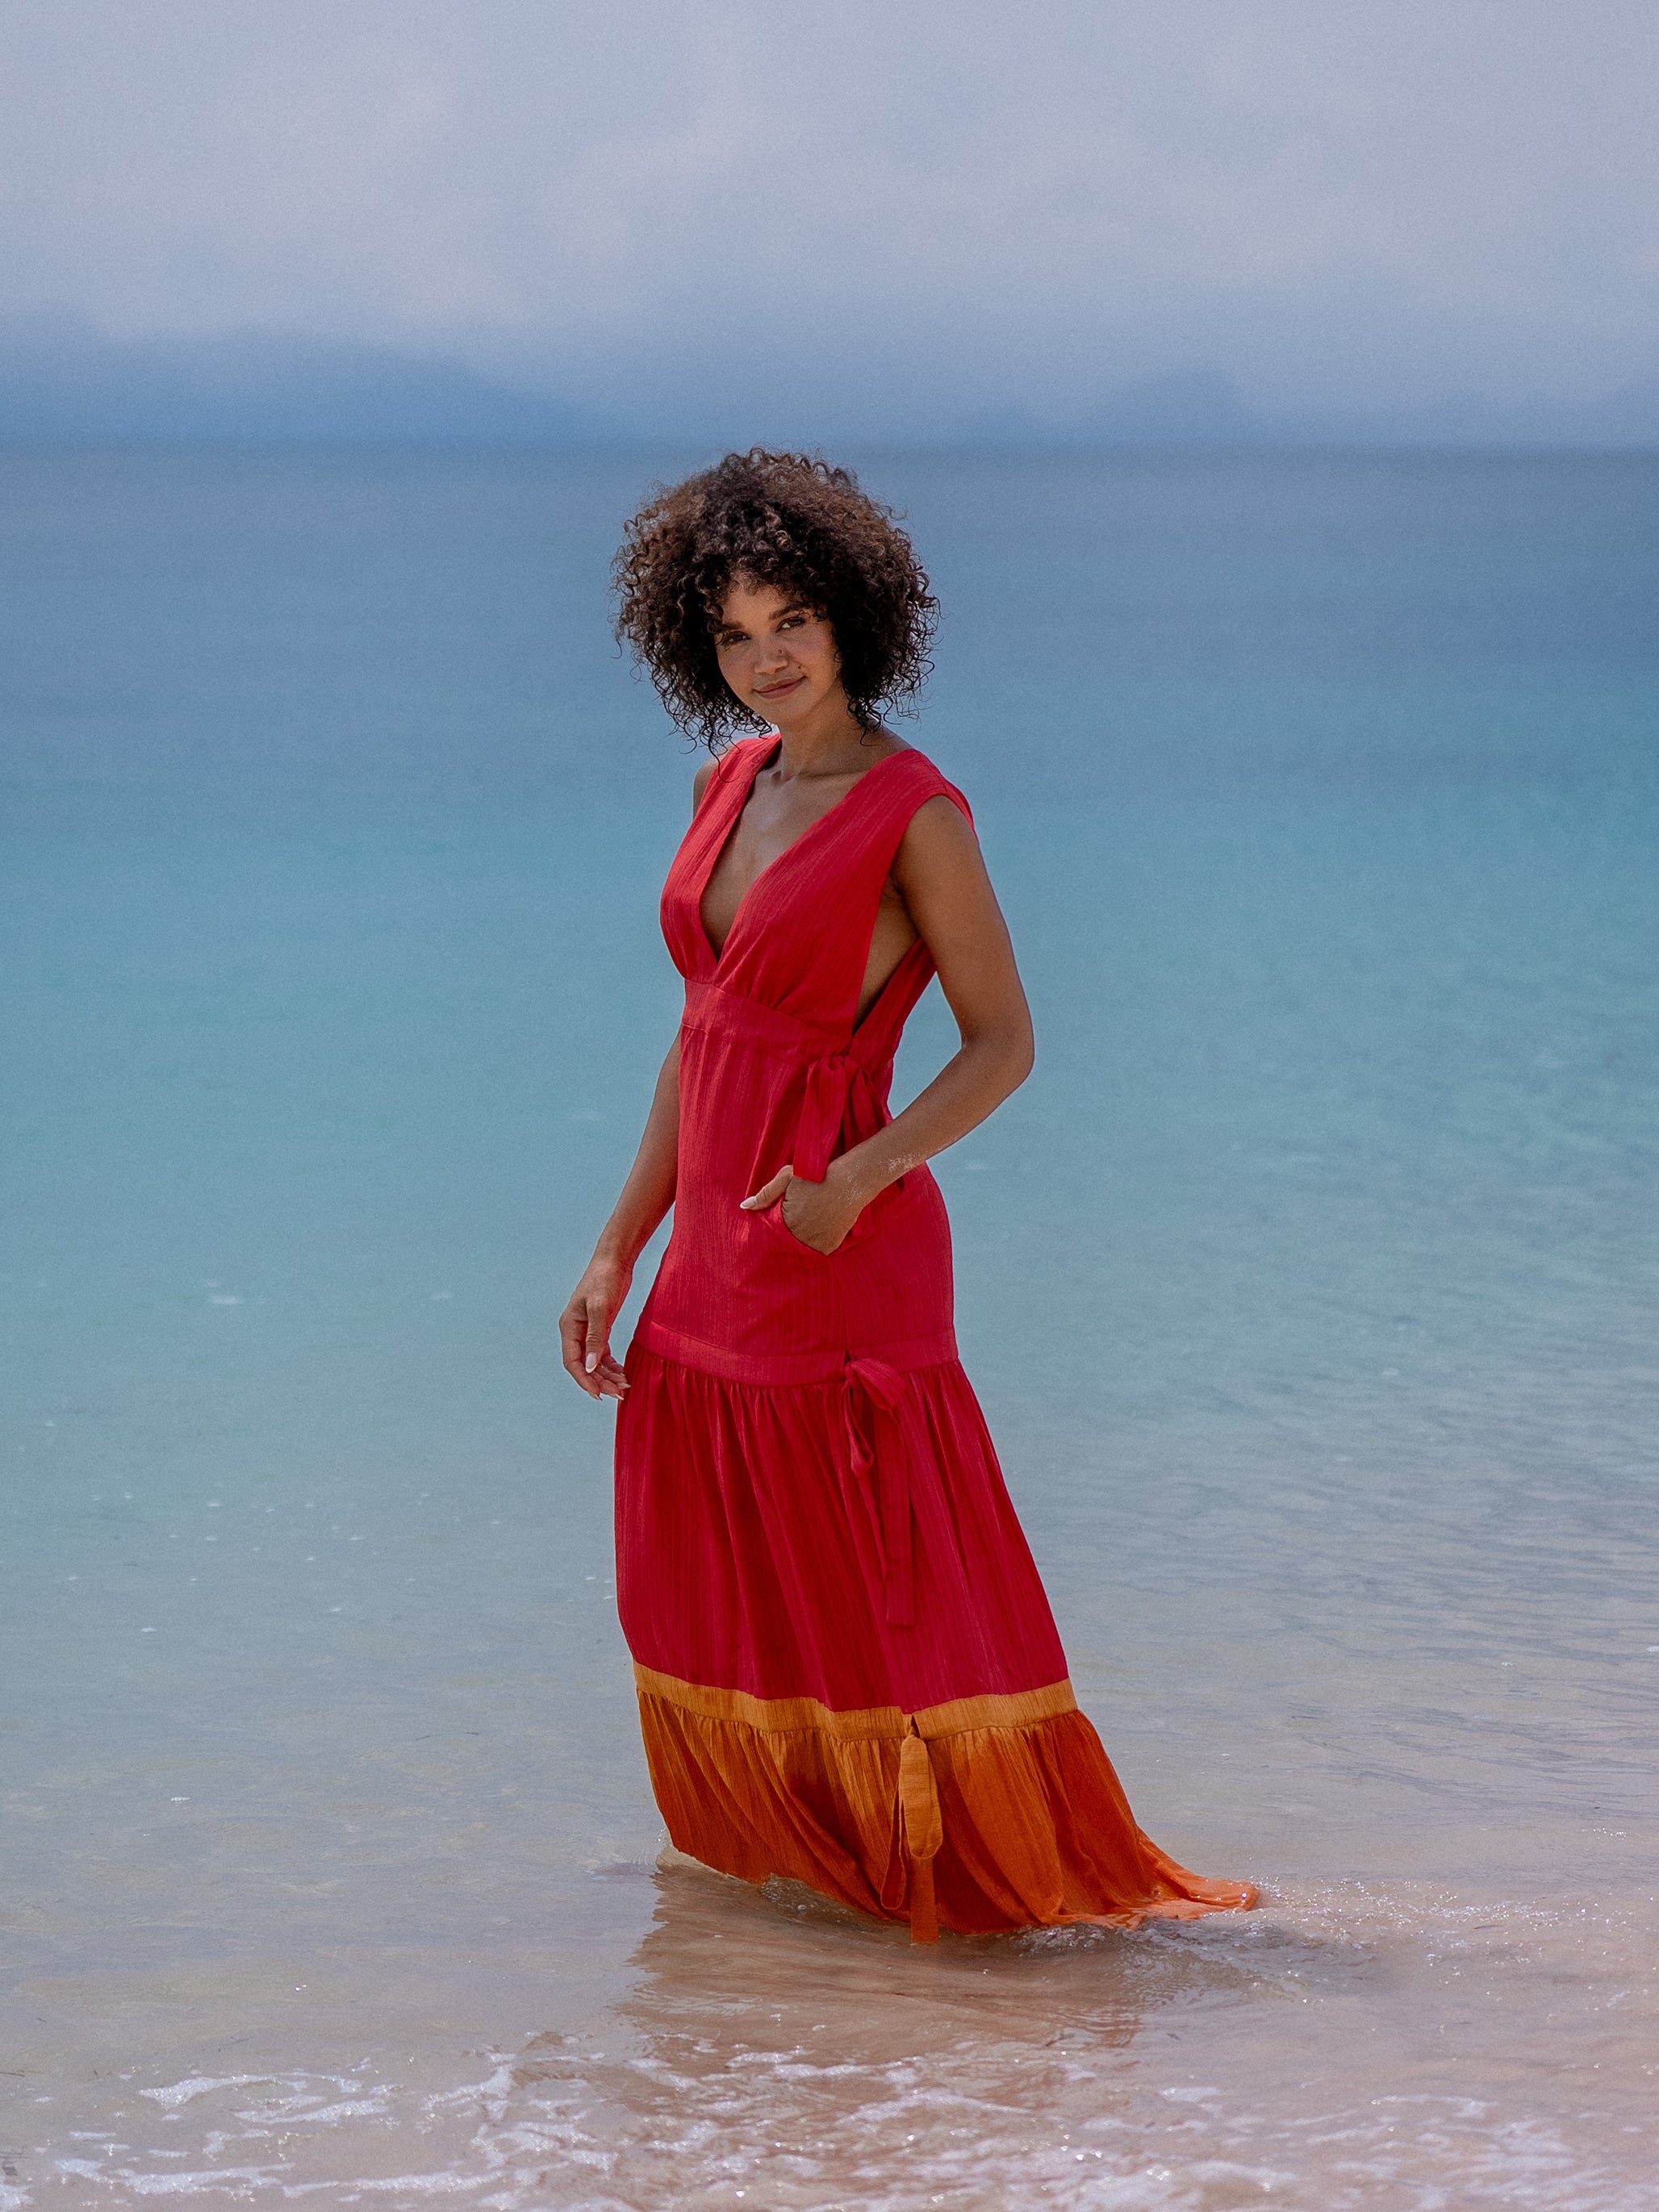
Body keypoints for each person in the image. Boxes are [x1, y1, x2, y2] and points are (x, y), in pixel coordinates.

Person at [560, 449, 1255, 1941]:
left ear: (853, 617)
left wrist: (859, 1178)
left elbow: (1004, 1042)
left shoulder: (916, 810)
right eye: (736, 632)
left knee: (883, 1584)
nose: (767, 657)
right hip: (714, 1262)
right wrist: (620, 1241)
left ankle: (963, 1879)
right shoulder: (725, 784)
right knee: (715, 1577)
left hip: (841, 1244)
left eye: (792, 619)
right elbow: (706, 1035)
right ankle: (801, 1868)